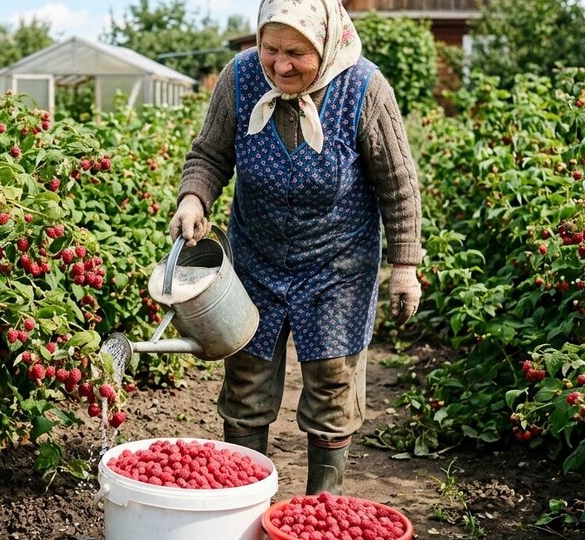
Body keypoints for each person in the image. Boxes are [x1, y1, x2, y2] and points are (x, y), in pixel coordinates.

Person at [168, 0, 423, 496]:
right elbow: (210, 153)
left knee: (332, 380)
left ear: (325, 46)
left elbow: (398, 183)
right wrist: (193, 198)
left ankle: (320, 508)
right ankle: (242, 501)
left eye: (296, 54)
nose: (280, 65)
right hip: (256, 259)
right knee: (247, 379)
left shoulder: (363, 89)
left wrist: (405, 265)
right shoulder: (239, 78)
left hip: (338, 264)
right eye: (270, 50)